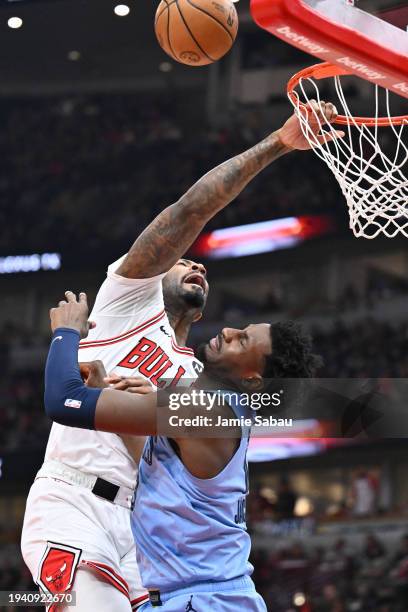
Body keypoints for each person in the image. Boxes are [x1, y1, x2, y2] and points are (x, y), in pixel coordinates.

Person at [24, 100, 341, 611]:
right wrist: (278, 144)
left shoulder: (201, 387)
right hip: (76, 503)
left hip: (147, 539)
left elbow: (144, 456)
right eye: (181, 259)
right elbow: (186, 213)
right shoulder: (128, 297)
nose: (193, 263)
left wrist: (100, 390)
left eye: (200, 265)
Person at [44, 288, 321, 611]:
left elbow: (63, 401)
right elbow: (156, 469)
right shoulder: (214, 413)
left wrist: (66, 333)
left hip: (203, 600)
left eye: (242, 340)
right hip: (193, 597)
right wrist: (114, 403)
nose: (229, 331)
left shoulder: (203, 411)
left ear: (253, 381)